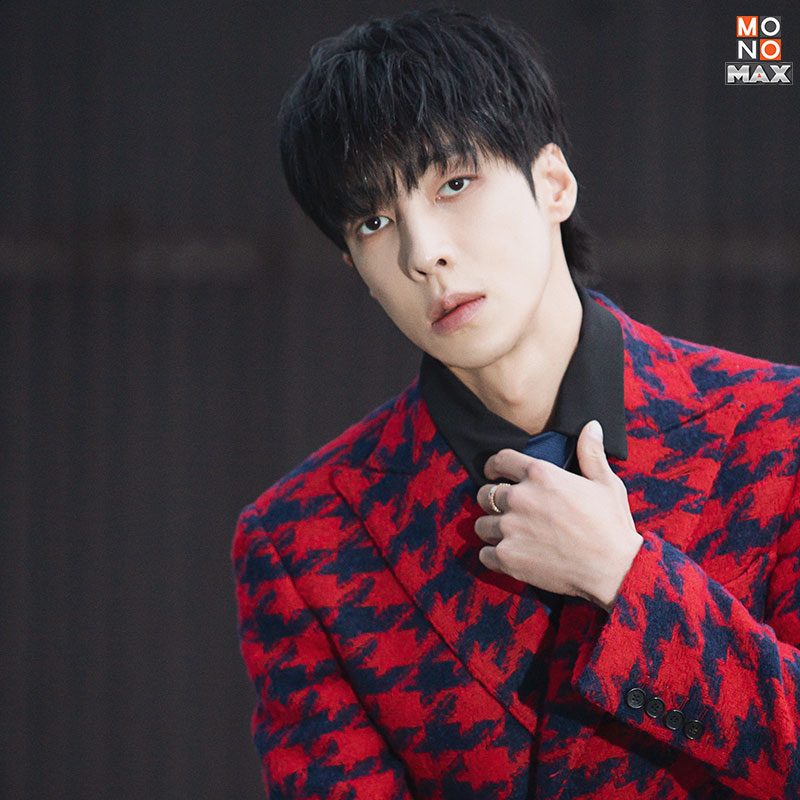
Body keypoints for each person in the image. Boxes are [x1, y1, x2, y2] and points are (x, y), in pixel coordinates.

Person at [232, 9, 800, 799]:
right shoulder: (308, 541)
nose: (423, 252)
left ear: (554, 184)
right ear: (356, 267)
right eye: (374, 221)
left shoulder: (777, 430)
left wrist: (626, 577)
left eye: (454, 184)